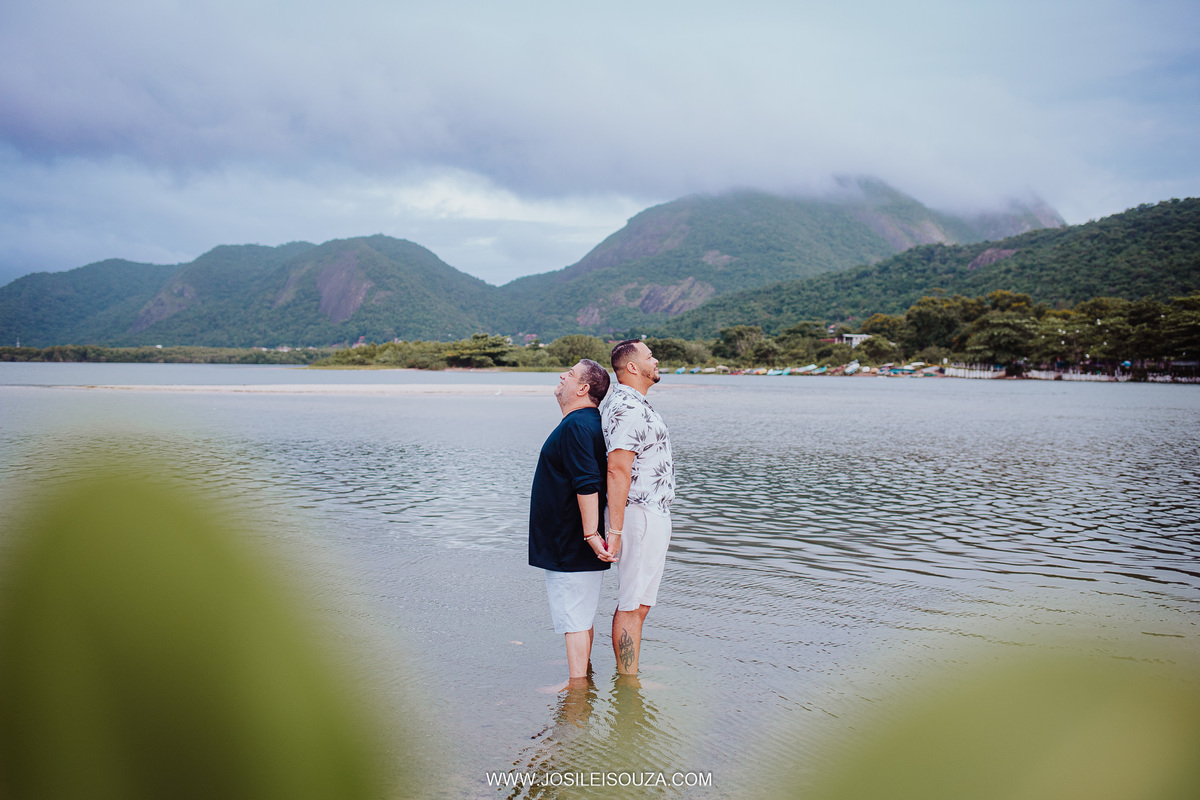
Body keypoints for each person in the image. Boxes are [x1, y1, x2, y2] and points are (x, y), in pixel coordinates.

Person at [529, 358, 616, 681]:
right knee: (580, 614)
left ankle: (576, 694)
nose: (562, 376)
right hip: (574, 537)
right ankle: (585, 677)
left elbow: (587, 481)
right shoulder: (588, 422)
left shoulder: (578, 425)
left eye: (571, 374)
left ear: (583, 388)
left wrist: (591, 534)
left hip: (570, 538)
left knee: (574, 617)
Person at [602, 340, 674, 674]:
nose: (655, 360)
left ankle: (629, 676)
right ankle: (627, 685)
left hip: (652, 511)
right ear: (632, 367)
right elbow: (617, 468)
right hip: (638, 513)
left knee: (641, 604)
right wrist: (614, 531)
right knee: (631, 604)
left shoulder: (634, 402)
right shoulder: (627, 406)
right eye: (649, 357)